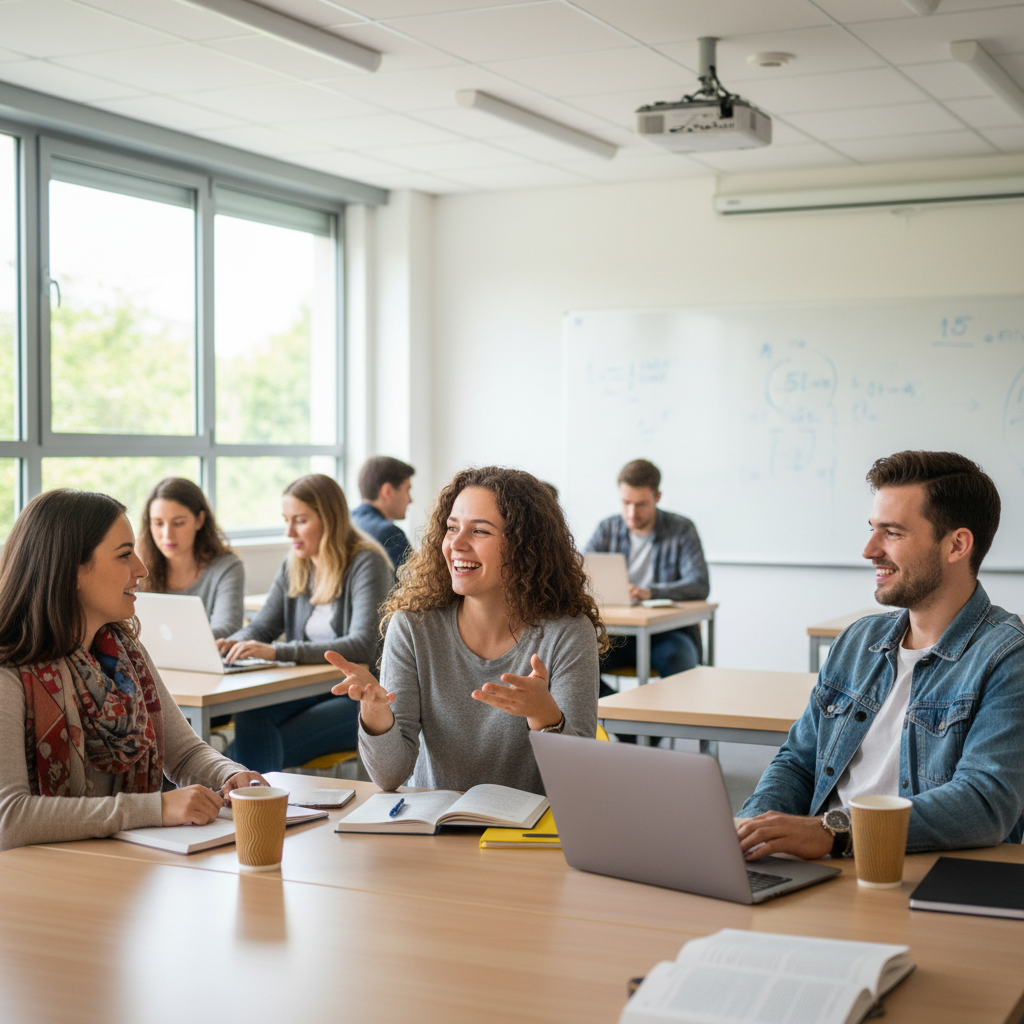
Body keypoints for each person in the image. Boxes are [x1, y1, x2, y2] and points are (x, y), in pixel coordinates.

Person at [739, 451, 1024, 863]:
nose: (869, 549)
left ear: (957, 545)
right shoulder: (858, 641)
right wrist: (750, 830)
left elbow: (983, 804)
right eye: (873, 529)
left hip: (917, 874)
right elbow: (799, 762)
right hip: (826, 865)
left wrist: (834, 832)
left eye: (892, 533)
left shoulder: (1007, 657)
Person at [0, 489, 266, 852]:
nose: (141, 569)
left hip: (121, 870)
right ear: (71, 570)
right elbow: (10, 819)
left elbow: (185, 754)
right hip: (42, 884)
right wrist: (154, 808)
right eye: (125, 555)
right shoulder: (9, 671)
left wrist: (230, 774)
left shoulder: (125, 653)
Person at [326, 466, 606, 795]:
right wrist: (376, 713)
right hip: (436, 831)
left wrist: (545, 716)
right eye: (451, 528)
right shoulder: (413, 628)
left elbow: (578, 785)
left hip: (528, 838)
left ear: (525, 547)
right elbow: (390, 777)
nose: (456, 544)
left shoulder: (567, 633)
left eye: (480, 532)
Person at [219, 474, 393, 773]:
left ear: (330, 519)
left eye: (300, 520)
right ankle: (251, 804)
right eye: (286, 520)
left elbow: (362, 645)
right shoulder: (295, 563)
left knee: (260, 747)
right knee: (250, 714)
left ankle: (246, 804)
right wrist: (235, 642)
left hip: (358, 694)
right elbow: (262, 627)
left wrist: (278, 652)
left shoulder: (367, 562)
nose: (289, 532)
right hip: (306, 690)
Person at [585, 458, 709, 678]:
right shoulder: (607, 528)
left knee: (678, 658)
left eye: (640, 504)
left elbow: (699, 584)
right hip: (616, 634)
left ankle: (663, 713)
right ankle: (613, 711)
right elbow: (580, 575)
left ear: (657, 497)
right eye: (626, 503)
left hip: (666, 634)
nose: (632, 512)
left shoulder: (681, 529)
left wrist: (651, 593)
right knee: (577, 660)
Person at [137, 477, 244, 638]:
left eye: (178, 523)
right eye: (158, 523)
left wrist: (173, 639)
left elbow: (227, 629)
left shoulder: (226, 567)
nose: (167, 535)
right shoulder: (138, 568)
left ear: (199, 520)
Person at [351, 456, 415, 572]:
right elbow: (418, 583)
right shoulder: (390, 534)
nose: (410, 500)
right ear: (387, 491)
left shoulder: (347, 521)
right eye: (407, 490)